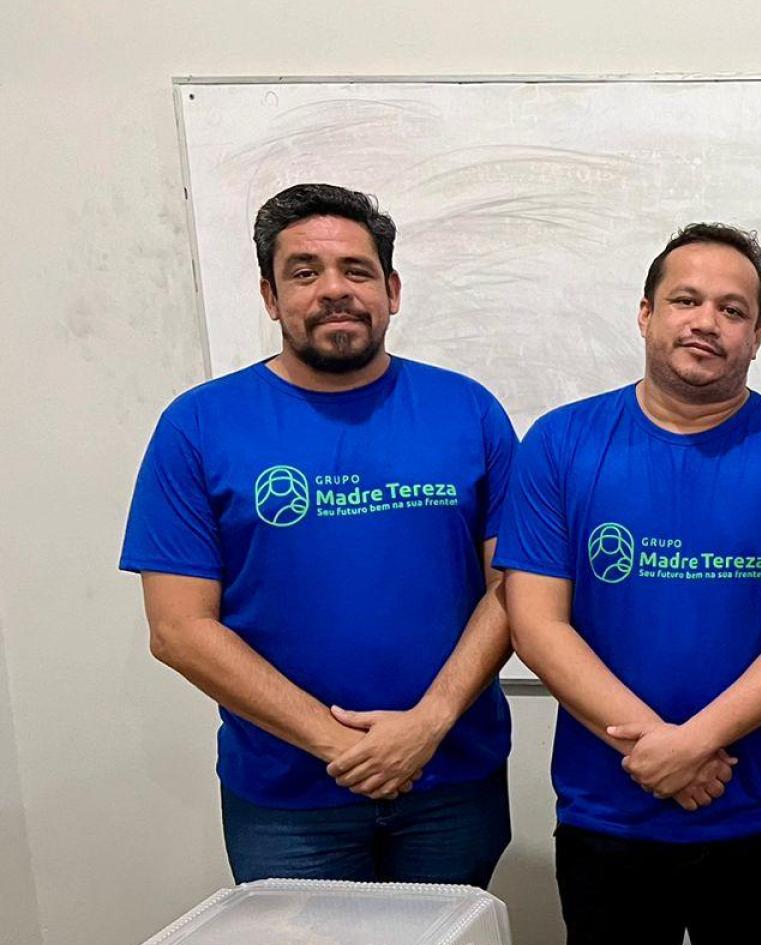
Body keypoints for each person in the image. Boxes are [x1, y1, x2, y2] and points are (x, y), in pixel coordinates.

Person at [121, 183, 516, 886]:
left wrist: (426, 725)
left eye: (356, 271)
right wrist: (340, 744)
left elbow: (513, 591)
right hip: (286, 799)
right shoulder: (199, 426)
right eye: (304, 272)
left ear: (391, 289)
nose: (334, 289)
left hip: (452, 780)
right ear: (271, 298)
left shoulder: (469, 412)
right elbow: (179, 629)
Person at [497, 223, 761, 945]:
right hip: (611, 812)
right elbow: (536, 624)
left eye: (733, 310)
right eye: (686, 300)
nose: (707, 321)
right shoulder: (561, 442)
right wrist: (657, 752)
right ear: (646, 314)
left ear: (757, 334)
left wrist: (694, 744)